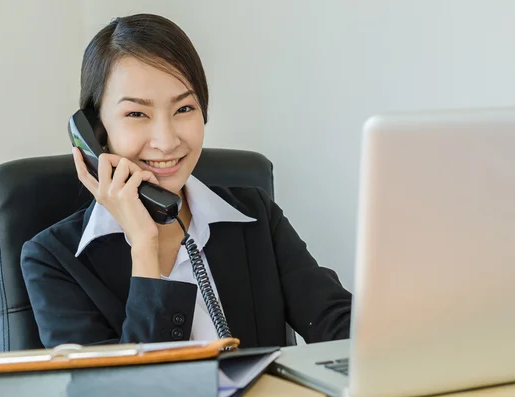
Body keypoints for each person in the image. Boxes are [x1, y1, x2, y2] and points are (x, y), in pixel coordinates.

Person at [20, 13, 352, 349]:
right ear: (96, 133)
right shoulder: (53, 259)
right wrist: (144, 247)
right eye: (137, 114)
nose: (166, 141)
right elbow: (118, 387)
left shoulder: (256, 217)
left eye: (184, 109)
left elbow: (336, 322)